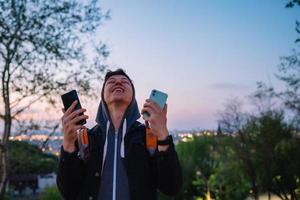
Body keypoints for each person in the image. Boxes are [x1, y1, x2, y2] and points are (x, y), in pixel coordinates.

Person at [57, 69, 182, 200]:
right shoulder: (87, 138)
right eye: (111, 82)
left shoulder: (147, 137)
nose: (118, 83)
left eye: (125, 82)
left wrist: (163, 135)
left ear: (133, 96)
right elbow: (69, 192)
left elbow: (171, 187)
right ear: (103, 95)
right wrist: (68, 144)